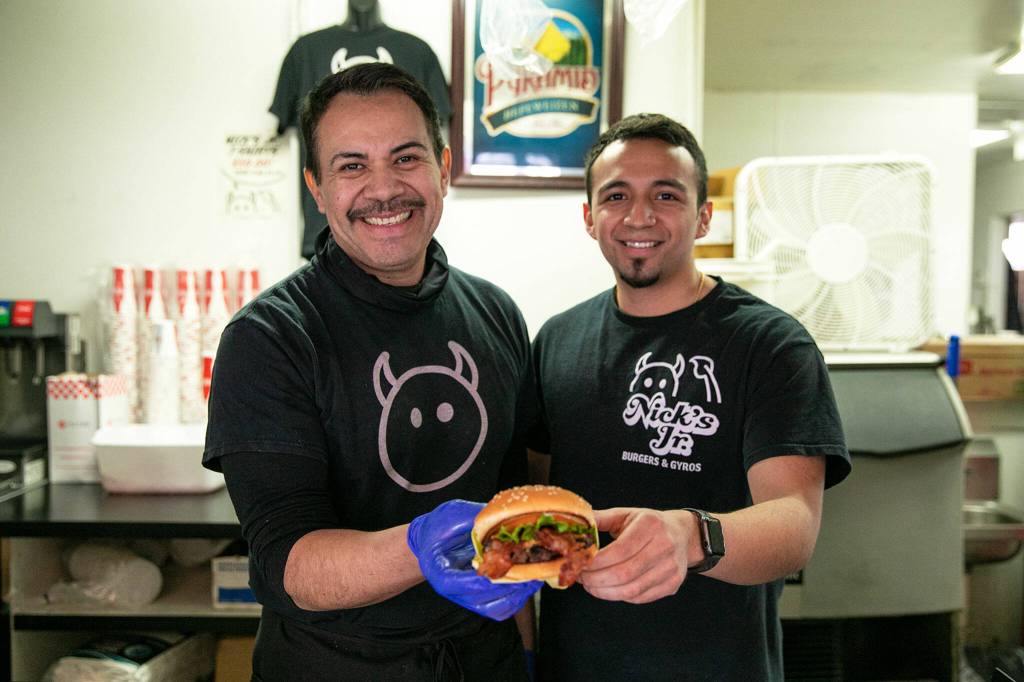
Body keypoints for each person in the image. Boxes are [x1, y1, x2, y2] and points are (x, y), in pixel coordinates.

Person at [203, 62, 538, 681]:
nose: (383, 189)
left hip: (482, 659)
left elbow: (512, 497)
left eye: (406, 158)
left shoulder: (496, 313)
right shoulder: (270, 337)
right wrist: (419, 547)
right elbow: (289, 565)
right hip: (336, 666)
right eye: (352, 165)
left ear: (443, 166)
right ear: (318, 188)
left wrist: (525, 646)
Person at [527, 113, 852, 681]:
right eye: (617, 195)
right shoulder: (557, 339)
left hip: (719, 666)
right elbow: (537, 494)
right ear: (589, 217)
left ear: (703, 217)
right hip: (573, 665)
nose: (640, 216)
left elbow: (794, 524)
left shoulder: (769, 344)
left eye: (667, 195)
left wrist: (691, 536)